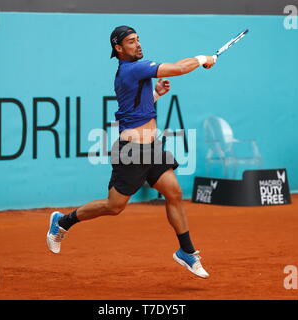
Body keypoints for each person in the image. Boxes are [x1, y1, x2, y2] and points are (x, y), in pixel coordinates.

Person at [46, 26, 217, 278]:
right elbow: (180, 68)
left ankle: (186, 252)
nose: (138, 45)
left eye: (138, 40)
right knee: (114, 206)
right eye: (131, 42)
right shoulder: (132, 68)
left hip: (153, 147)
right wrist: (204, 59)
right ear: (119, 48)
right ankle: (63, 222)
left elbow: (135, 110)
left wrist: (155, 95)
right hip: (132, 152)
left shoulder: (133, 72)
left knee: (174, 191)